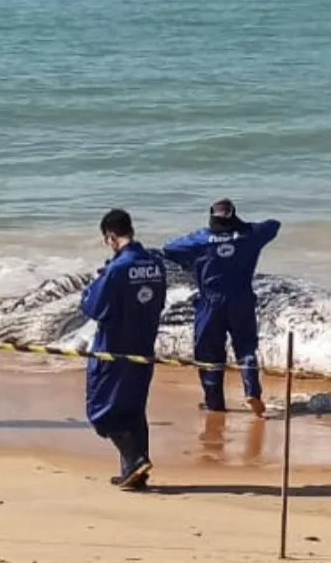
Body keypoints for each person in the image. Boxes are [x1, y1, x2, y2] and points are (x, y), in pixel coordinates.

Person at [161, 198, 280, 415]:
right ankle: (252, 391)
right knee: (246, 347)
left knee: (209, 354)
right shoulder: (250, 235)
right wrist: (240, 229)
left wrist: (192, 262)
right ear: (233, 215)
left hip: (211, 303)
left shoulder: (201, 239)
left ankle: (214, 403)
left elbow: (169, 248)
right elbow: (274, 224)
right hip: (242, 299)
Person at [81, 208, 167, 490]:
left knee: (101, 411)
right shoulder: (155, 264)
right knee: (133, 410)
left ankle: (135, 459)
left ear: (110, 237)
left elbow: (93, 307)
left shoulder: (116, 270)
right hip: (144, 345)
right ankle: (134, 473)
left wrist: (92, 285)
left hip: (114, 348)